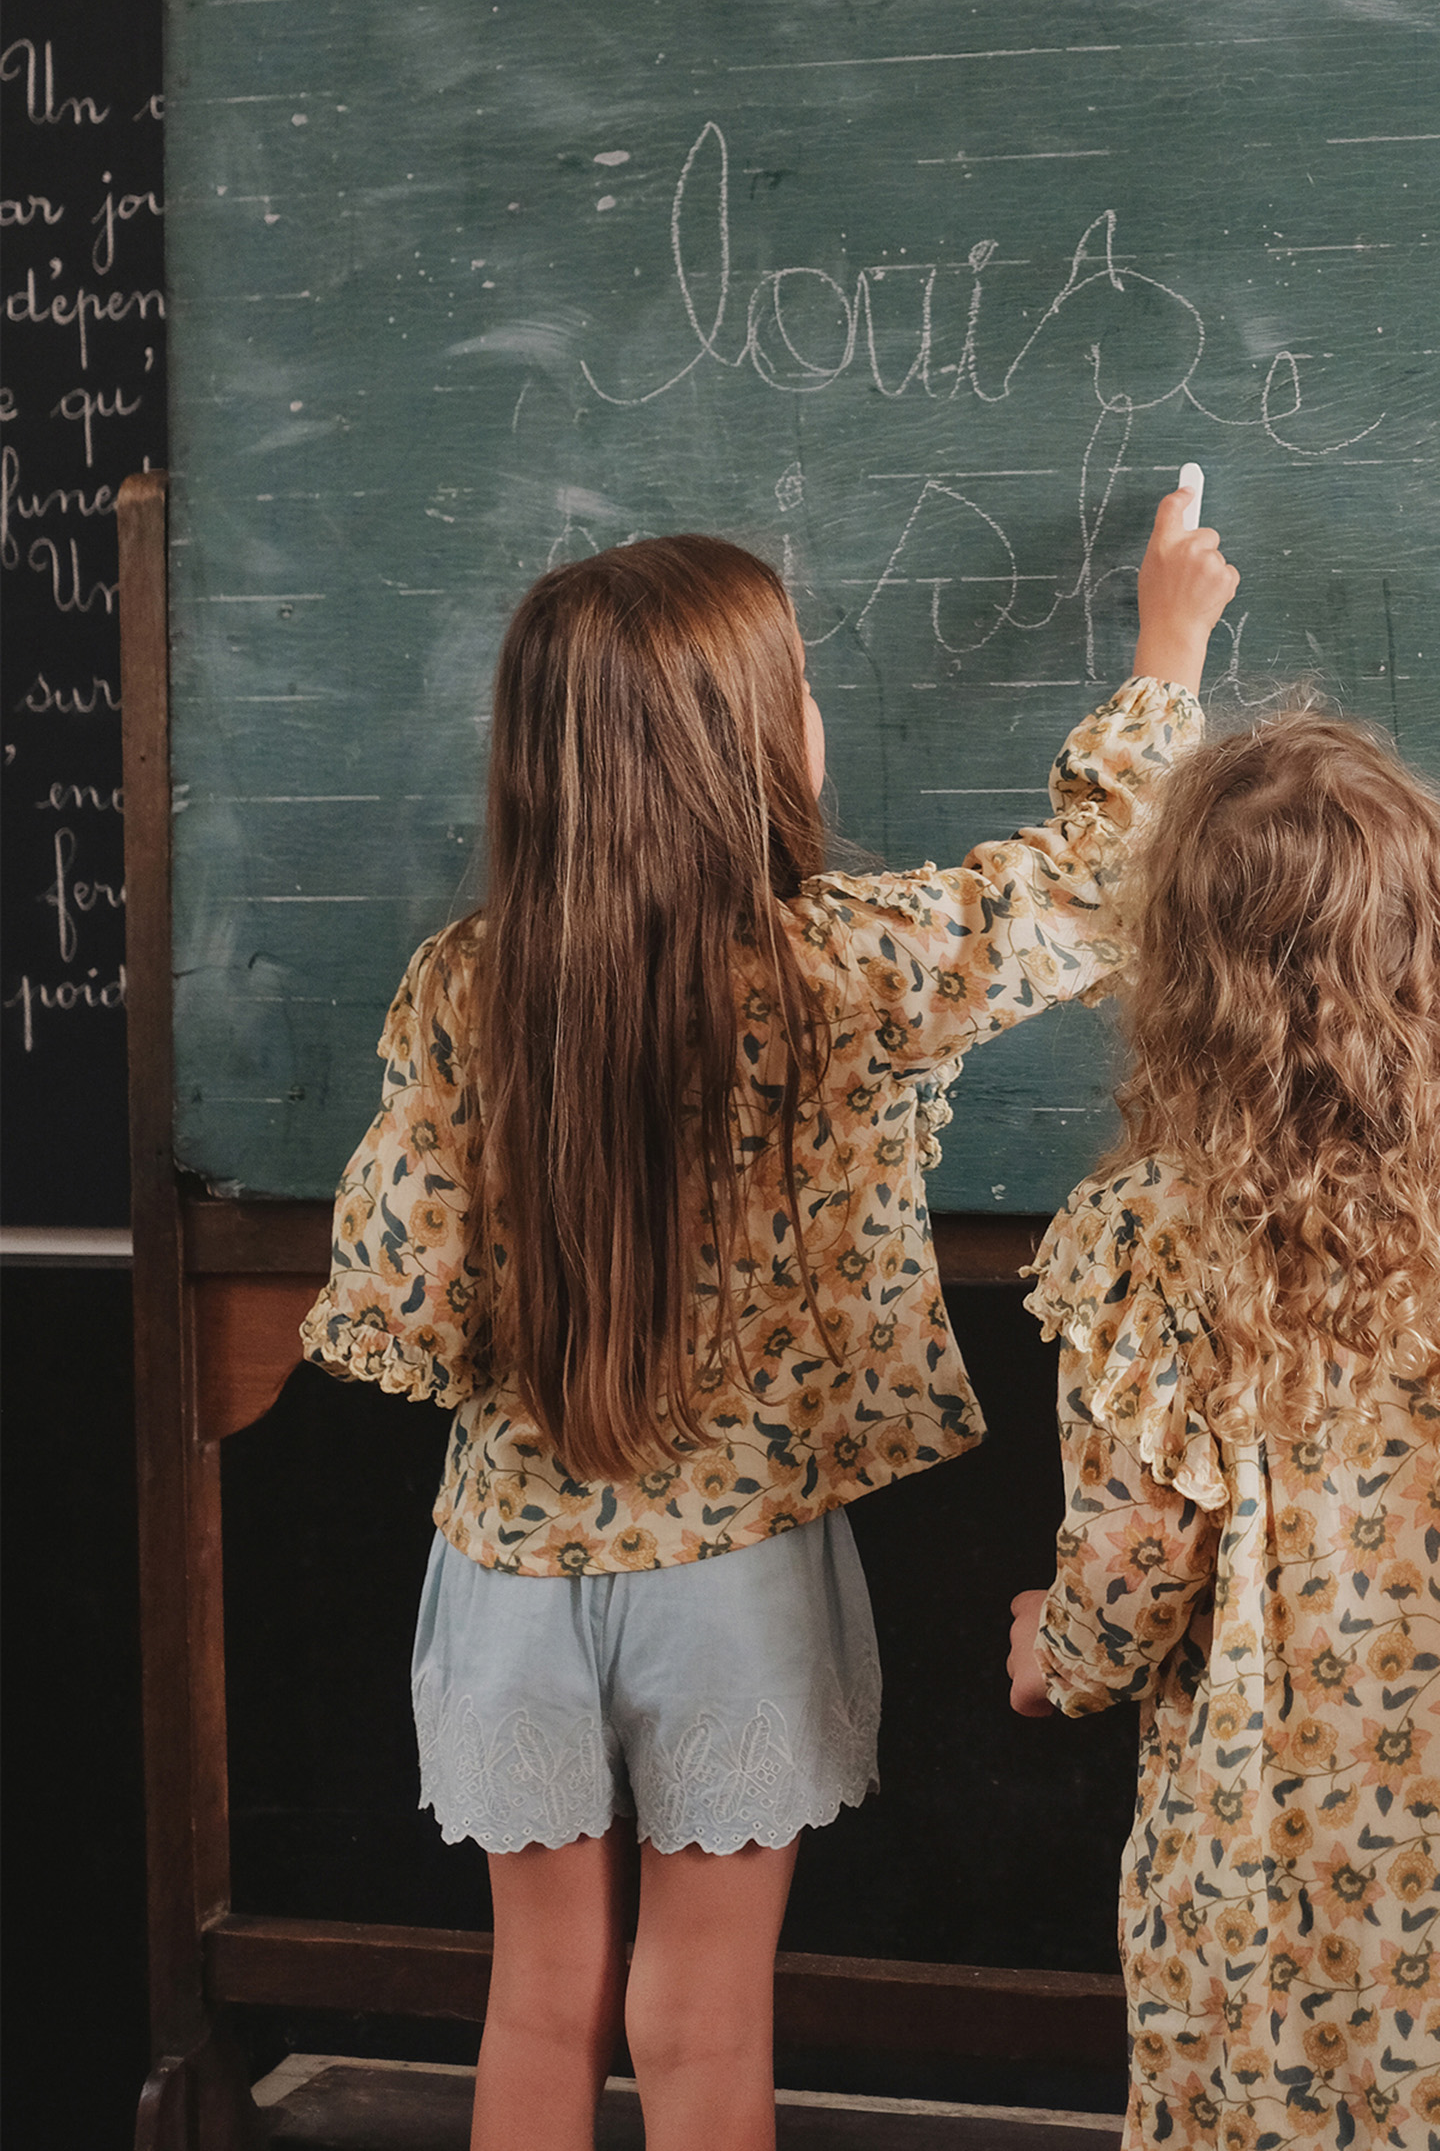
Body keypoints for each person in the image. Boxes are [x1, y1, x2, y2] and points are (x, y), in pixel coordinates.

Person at [302, 492, 1236, 2151]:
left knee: (536, 1998)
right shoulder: (844, 973)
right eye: (795, 680)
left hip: (508, 1577)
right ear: (736, 750)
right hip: (731, 1581)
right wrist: (1167, 647)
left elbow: (401, 1301)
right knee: (705, 2008)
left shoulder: (465, 989)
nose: (819, 708)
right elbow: (1097, 886)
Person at [1008, 704, 1440, 2149]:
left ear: (1183, 974)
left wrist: (1052, 1654)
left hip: (1270, 1854)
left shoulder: (1157, 1238)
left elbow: (1135, 1572)